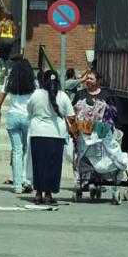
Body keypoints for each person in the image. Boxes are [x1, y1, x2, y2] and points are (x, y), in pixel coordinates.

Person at [27, 70, 77, 206]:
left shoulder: (36, 94)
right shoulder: (63, 95)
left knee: (38, 164)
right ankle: (48, 195)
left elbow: (29, 110)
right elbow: (71, 116)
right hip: (56, 133)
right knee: (52, 166)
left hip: (37, 131)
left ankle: (38, 194)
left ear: (43, 80)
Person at [0, 56, 36, 194]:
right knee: (27, 150)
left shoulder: (9, 80)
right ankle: (26, 180)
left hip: (13, 116)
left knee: (17, 151)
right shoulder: (33, 82)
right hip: (27, 117)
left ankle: (17, 185)